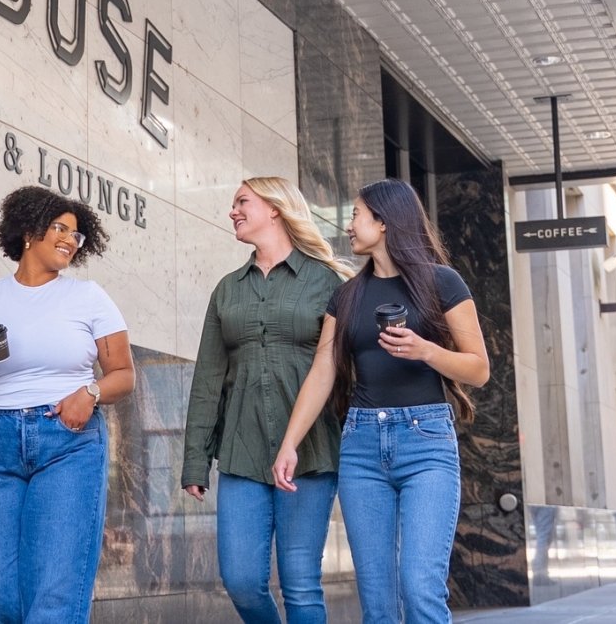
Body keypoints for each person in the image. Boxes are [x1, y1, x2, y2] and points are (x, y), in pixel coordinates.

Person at [273, 179, 489, 624]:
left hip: (426, 444)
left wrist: (426, 350)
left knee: (420, 587)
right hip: (362, 447)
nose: (349, 226)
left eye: (356, 215)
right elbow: (322, 372)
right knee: (377, 602)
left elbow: (478, 369)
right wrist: (289, 443)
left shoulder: (442, 283)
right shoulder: (348, 295)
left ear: (385, 222)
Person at [0, 185, 135, 624]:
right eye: (60, 228)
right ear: (29, 231)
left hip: (68, 441)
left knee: (55, 591)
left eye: (77, 234)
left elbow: (124, 373)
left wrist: (90, 393)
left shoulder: (88, 298)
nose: (70, 239)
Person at [182, 176, 354, 624]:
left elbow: (346, 371)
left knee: (300, 582)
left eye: (242, 202)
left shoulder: (326, 282)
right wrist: (195, 462)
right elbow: (207, 381)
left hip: (310, 452)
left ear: (275, 208)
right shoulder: (227, 289)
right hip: (241, 452)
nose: (232, 211)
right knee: (240, 580)